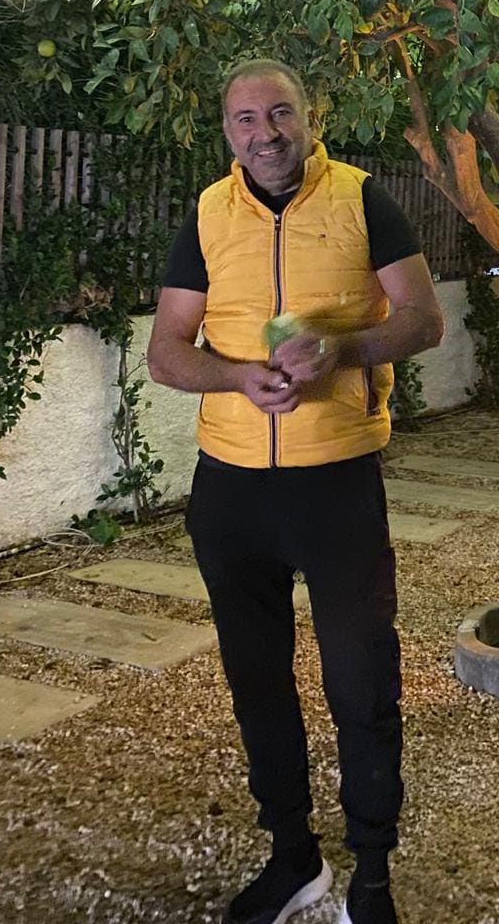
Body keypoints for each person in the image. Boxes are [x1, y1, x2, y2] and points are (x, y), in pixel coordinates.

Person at [147, 58, 444, 924]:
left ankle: (373, 878)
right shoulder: (208, 213)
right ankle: (293, 860)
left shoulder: (361, 199)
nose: (265, 133)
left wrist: (344, 350)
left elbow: (423, 319)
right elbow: (167, 351)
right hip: (231, 491)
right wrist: (237, 376)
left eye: (280, 114)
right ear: (227, 132)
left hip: (336, 483)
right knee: (258, 683)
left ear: (310, 118)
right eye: (246, 119)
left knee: (362, 682)